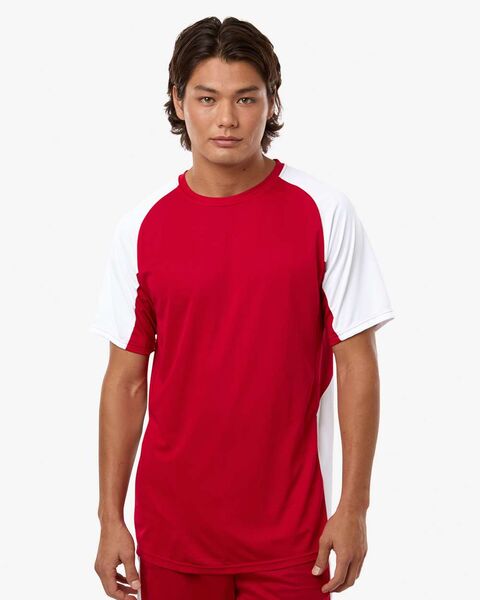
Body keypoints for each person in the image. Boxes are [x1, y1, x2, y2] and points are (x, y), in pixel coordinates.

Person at [89, 15, 395, 600]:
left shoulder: (324, 212)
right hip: (172, 532)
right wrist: (109, 518)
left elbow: (358, 364)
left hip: (295, 536)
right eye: (207, 98)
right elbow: (125, 382)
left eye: (245, 98)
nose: (226, 119)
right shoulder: (140, 228)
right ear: (178, 101)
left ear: (270, 102)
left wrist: (354, 507)